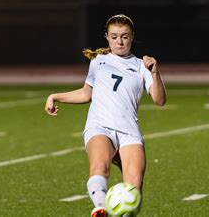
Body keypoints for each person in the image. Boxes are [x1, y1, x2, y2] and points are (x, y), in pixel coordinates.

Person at [44, 14, 166, 217]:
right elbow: (86, 93)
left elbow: (159, 100)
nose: (120, 41)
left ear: (132, 37)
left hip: (129, 131)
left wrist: (155, 72)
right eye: (115, 36)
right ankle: (100, 207)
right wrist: (55, 96)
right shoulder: (98, 62)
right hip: (100, 126)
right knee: (100, 166)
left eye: (125, 36)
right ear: (107, 37)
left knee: (134, 186)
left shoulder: (140, 66)